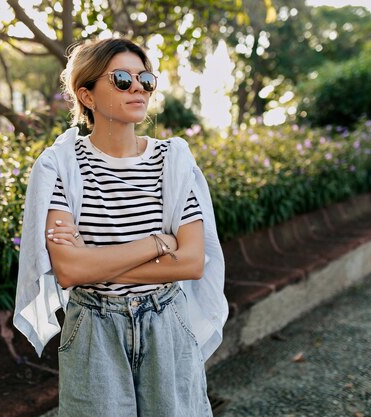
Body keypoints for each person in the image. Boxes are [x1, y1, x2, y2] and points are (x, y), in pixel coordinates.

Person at [13, 37, 228, 417]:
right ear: (87, 96)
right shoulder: (60, 166)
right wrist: (160, 241)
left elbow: (193, 262)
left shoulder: (172, 160)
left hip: (166, 321)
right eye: (122, 79)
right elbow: (69, 270)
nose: (139, 88)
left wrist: (95, 259)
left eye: (145, 78)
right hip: (93, 327)